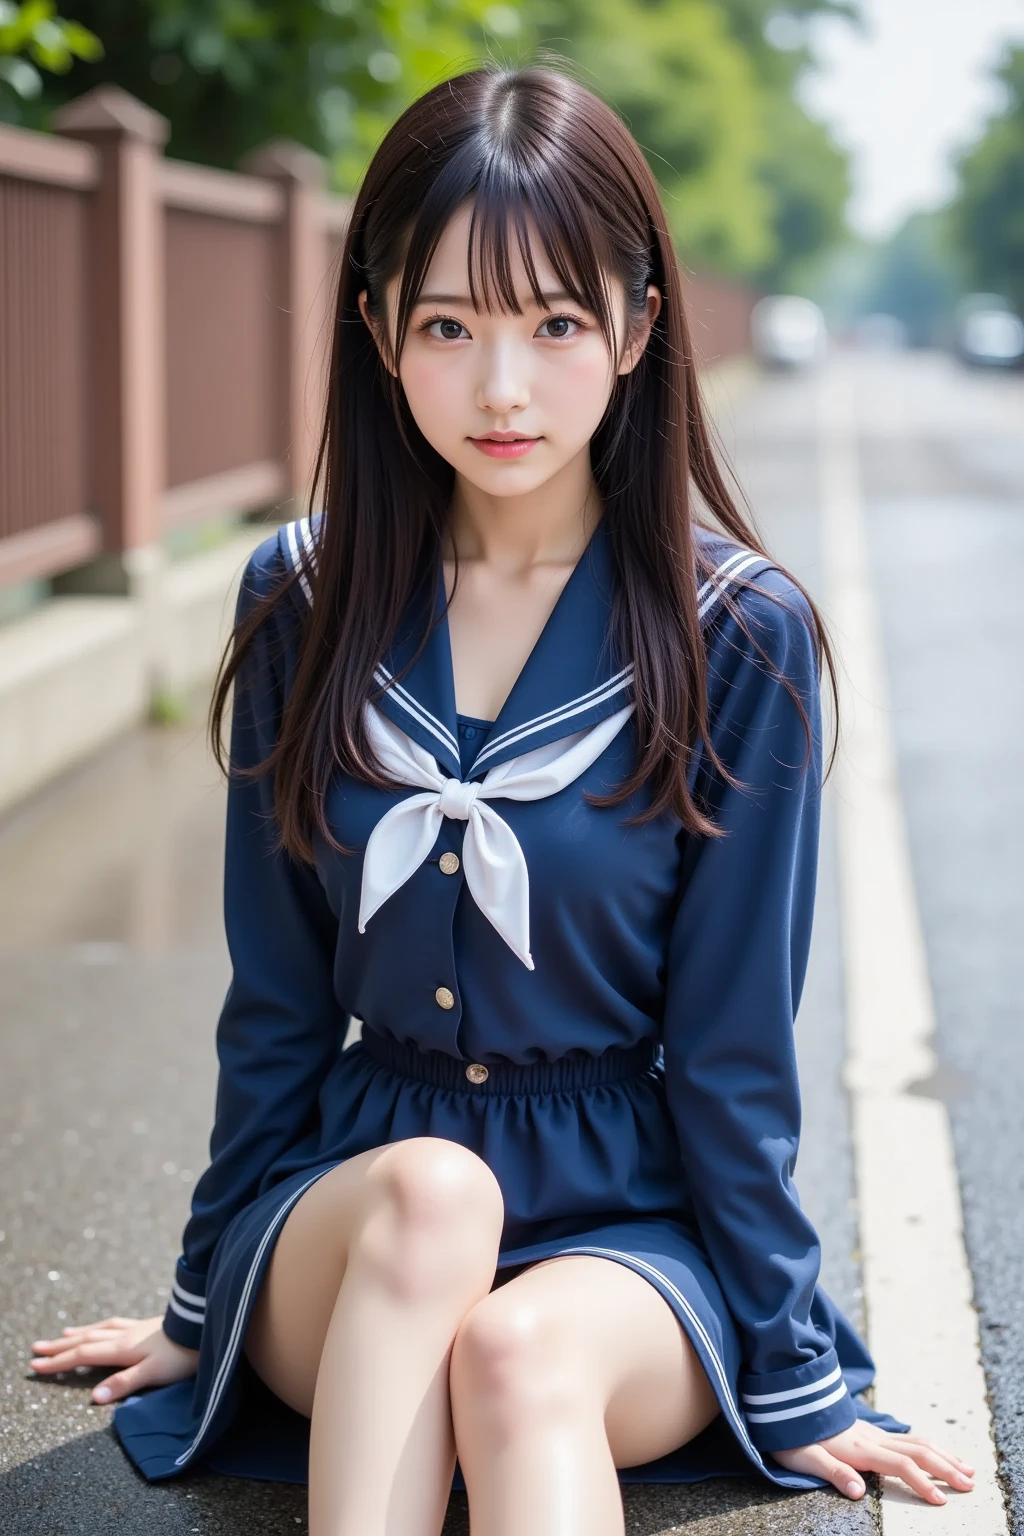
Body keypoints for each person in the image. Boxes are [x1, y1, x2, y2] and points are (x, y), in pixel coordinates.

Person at [28, 64, 973, 1535]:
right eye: (449, 327)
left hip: (624, 1232)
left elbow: (733, 1050)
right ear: (378, 332)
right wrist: (202, 1306)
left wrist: (796, 1374)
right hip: (365, 1207)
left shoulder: (738, 636)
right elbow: (274, 1002)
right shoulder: (304, 598)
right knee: (433, 1204)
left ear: (641, 327)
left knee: (514, 1353)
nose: (505, 387)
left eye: (556, 323)